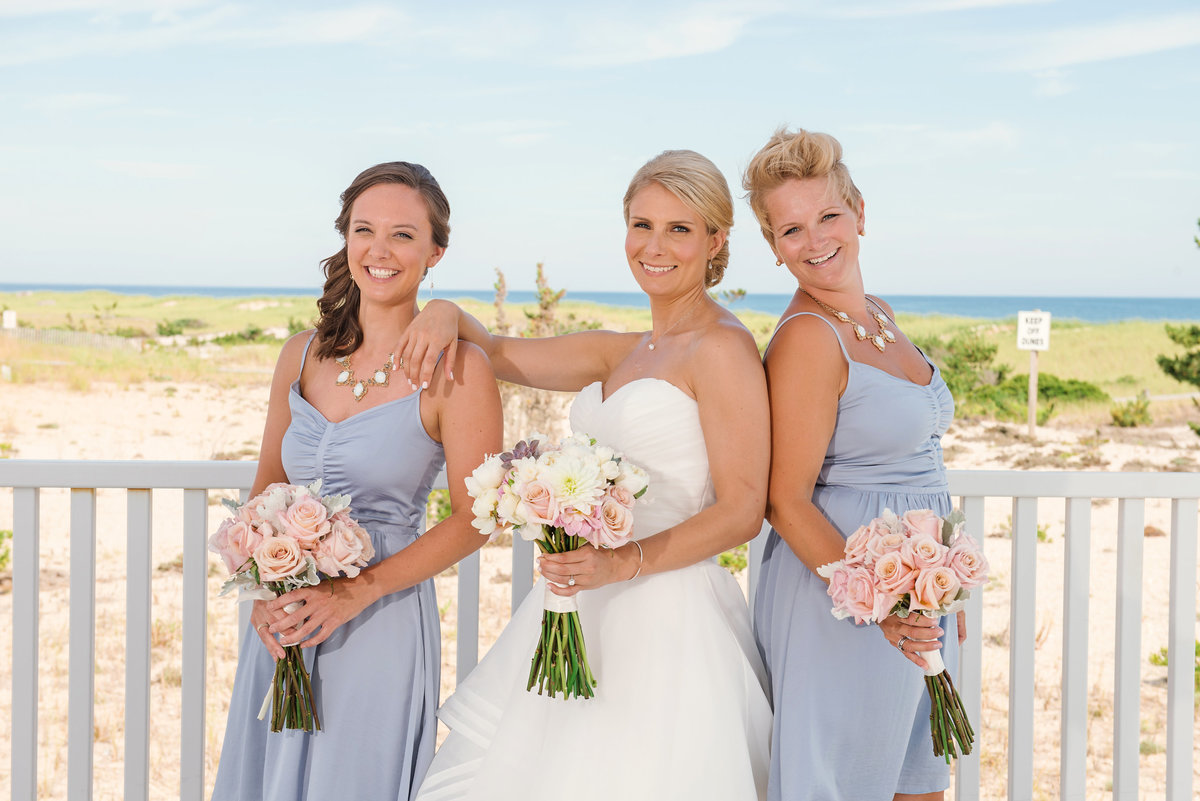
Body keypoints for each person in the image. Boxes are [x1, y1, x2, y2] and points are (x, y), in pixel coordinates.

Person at [399, 150, 772, 801]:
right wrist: (444, 311)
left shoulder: (723, 349)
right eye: (641, 224)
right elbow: (499, 353)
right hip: (579, 601)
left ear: (715, 240)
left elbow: (743, 509)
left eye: (678, 229)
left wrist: (620, 562)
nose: (653, 246)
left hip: (669, 615)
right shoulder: (621, 350)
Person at [211, 162, 503, 801]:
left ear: (435, 252)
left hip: (381, 616)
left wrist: (356, 591)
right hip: (285, 616)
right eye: (364, 229)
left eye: (403, 234)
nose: (380, 249)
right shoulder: (302, 353)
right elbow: (267, 483)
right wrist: (265, 589)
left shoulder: (459, 370)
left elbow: (478, 517)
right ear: (346, 240)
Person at [742, 127, 967, 801]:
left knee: (916, 782)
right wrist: (883, 601)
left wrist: (937, 581)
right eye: (790, 230)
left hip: (911, 594)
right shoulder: (809, 339)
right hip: (839, 602)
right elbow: (786, 499)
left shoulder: (881, 316)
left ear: (860, 213)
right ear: (775, 249)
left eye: (828, 216)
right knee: (839, 784)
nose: (815, 242)